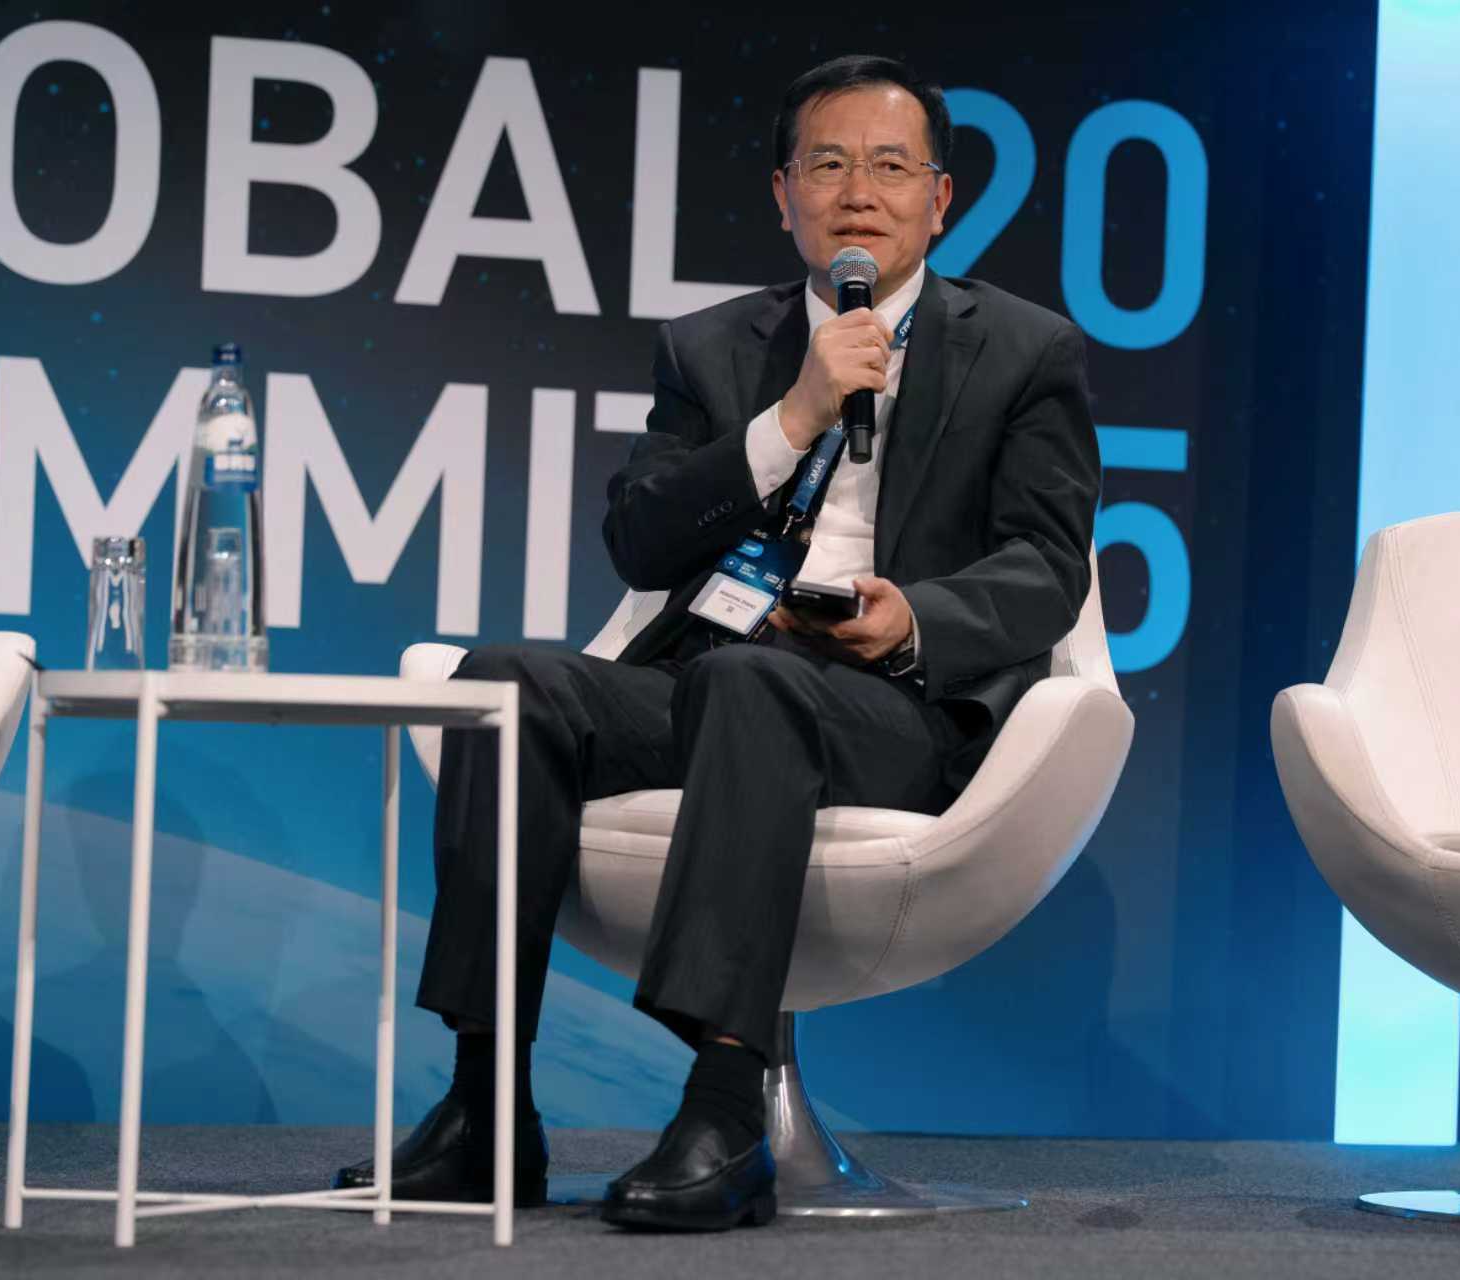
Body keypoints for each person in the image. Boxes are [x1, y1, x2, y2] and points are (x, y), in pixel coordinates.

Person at [337, 53, 1099, 1231]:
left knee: (755, 680)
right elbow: (639, 537)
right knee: (505, 683)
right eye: (828, 164)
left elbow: (1046, 566)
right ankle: (486, 1108)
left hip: (894, 707)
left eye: (890, 166)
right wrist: (792, 416)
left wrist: (911, 619)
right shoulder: (709, 348)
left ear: (940, 198)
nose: (859, 192)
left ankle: (724, 1104)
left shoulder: (1024, 350)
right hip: (713, 682)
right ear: (784, 195)